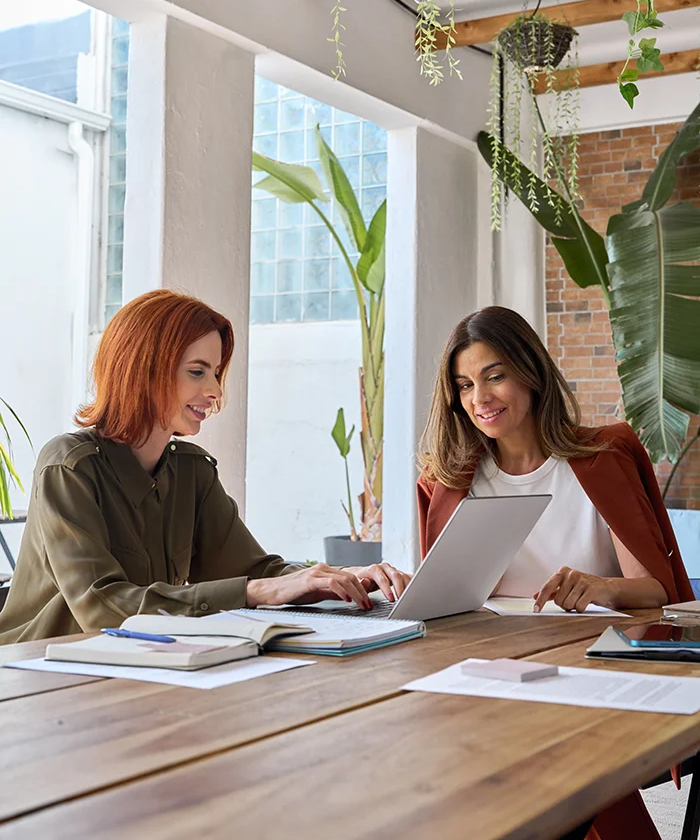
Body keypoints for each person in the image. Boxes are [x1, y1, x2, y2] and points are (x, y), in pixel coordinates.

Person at [417, 305, 691, 840]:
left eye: (495, 375)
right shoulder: (450, 481)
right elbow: (450, 604)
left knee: (547, 760)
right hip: (495, 676)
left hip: (599, 668)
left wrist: (600, 586)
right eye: (465, 384)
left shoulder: (599, 457)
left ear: (532, 371)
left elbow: (656, 592)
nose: (480, 398)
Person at [0, 290, 410, 645]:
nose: (214, 391)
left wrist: (341, 578)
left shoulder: (191, 471)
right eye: (197, 372)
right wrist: (260, 589)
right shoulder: (68, 467)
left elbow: (258, 571)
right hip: (38, 677)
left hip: (139, 666)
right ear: (144, 369)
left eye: (215, 373)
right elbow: (102, 608)